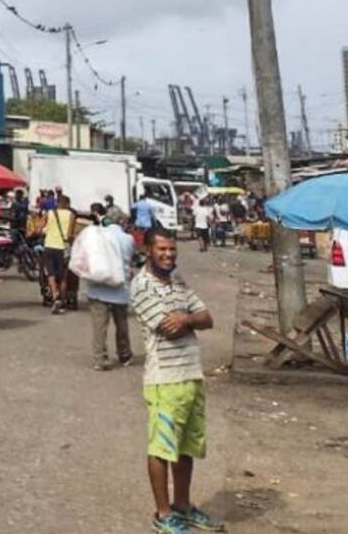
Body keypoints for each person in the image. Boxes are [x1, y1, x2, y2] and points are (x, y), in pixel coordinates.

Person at [130, 228, 223, 534]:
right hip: (164, 380)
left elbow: (207, 317)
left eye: (172, 249)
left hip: (191, 375)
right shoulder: (141, 285)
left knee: (185, 447)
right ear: (148, 250)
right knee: (162, 448)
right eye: (162, 250)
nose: (168, 255)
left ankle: (183, 505)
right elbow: (168, 328)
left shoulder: (178, 281)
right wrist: (187, 318)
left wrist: (185, 318)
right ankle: (163, 512)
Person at [84, 203, 136, 371]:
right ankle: (124, 354)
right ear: (121, 221)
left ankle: (100, 358)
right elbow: (130, 260)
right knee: (121, 324)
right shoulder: (128, 239)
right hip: (119, 288)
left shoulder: (97, 235)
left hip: (97, 286)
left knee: (99, 326)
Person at [42, 194, 76, 314]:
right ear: (67, 204)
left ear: (57, 203)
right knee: (62, 276)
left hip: (49, 246)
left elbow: (41, 228)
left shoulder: (49, 213)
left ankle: (54, 296)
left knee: (50, 274)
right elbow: (70, 234)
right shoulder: (71, 215)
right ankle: (61, 301)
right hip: (62, 248)